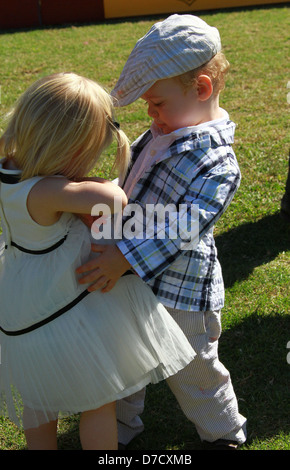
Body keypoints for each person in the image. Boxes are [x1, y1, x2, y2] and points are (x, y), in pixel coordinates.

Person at [0, 72, 196, 450]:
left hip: (23, 308)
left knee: (39, 403)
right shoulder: (46, 191)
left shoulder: (9, 172)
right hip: (60, 313)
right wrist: (101, 182)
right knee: (97, 401)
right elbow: (113, 200)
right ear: (69, 148)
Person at [77, 15, 247, 449]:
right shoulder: (159, 133)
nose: (151, 114)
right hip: (133, 283)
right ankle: (119, 435)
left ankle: (223, 434)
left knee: (193, 369)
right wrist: (97, 203)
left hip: (180, 291)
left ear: (201, 89)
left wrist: (125, 258)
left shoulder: (217, 163)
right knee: (125, 359)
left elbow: (185, 227)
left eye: (156, 103)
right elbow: (130, 186)